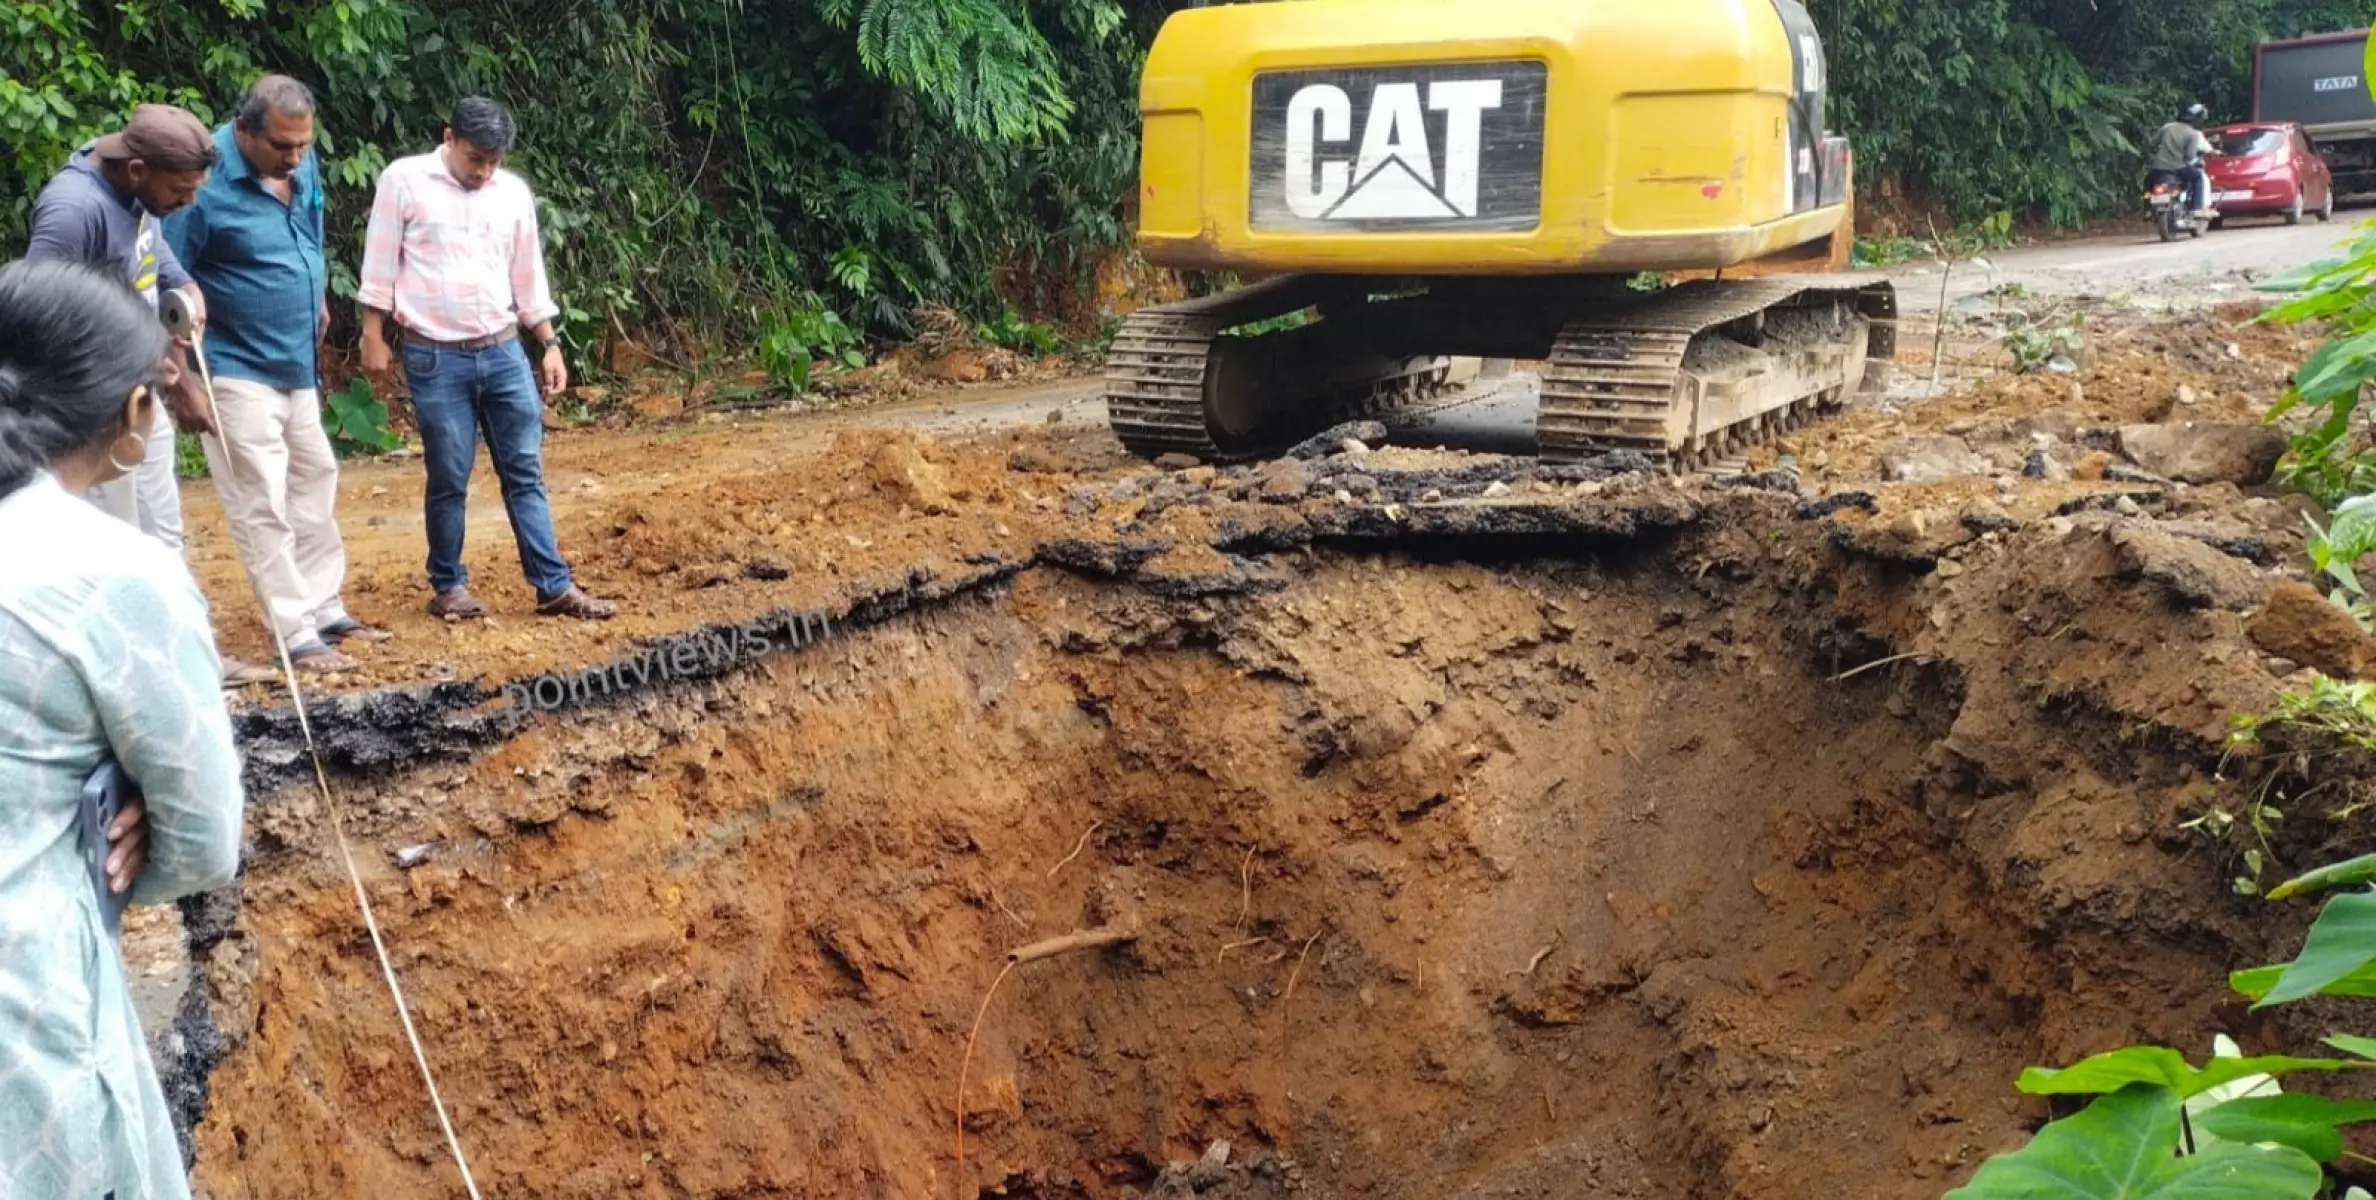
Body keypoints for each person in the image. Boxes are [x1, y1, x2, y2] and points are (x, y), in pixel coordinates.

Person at [0, 257, 245, 1200]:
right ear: (137, 410)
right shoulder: (112, 574)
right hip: (29, 1015)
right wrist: (119, 804)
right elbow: (202, 841)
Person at [25, 103, 278, 688]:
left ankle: (189, 659)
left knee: (163, 535)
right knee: (112, 545)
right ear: (136, 168)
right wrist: (135, 368)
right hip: (91, 411)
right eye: (181, 190)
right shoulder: (73, 210)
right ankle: (121, 676)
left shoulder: (140, 195)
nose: (188, 202)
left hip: (141, 395)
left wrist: (185, 289)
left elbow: (155, 263)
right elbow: (38, 320)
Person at [356, 95, 617, 621]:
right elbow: (380, 259)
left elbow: (527, 273)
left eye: (495, 161)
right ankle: (449, 585)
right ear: (449, 137)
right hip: (434, 356)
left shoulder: (512, 194)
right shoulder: (404, 181)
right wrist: (372, 334)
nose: (485, 171)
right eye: (477, 158)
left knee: (524, 471)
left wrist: (548, 342)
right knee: (450, 474)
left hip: (502, 351)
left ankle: (553, 586)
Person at [163, 75, 389, 675]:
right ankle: (294, 630)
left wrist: (313, 292)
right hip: (234, 365)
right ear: (244, 132)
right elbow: (167, 278)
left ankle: (324, 606)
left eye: (302, 147)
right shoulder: (202, 188)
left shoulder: (300, 162)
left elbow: (310, 226)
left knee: (315, 478)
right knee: (259, 497)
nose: (294, 159)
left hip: (295, 360)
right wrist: (180, 375)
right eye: (282, 149)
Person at [2148, 102, 2216, 217]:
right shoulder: (2193, 134)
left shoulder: (2167, 127)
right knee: (2198, 177)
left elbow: (2152, 143)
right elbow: (2190, 156)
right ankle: (2196, 208)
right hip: (2178, 168)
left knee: (2149, 183)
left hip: (2158, 167)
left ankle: (2148, 209)